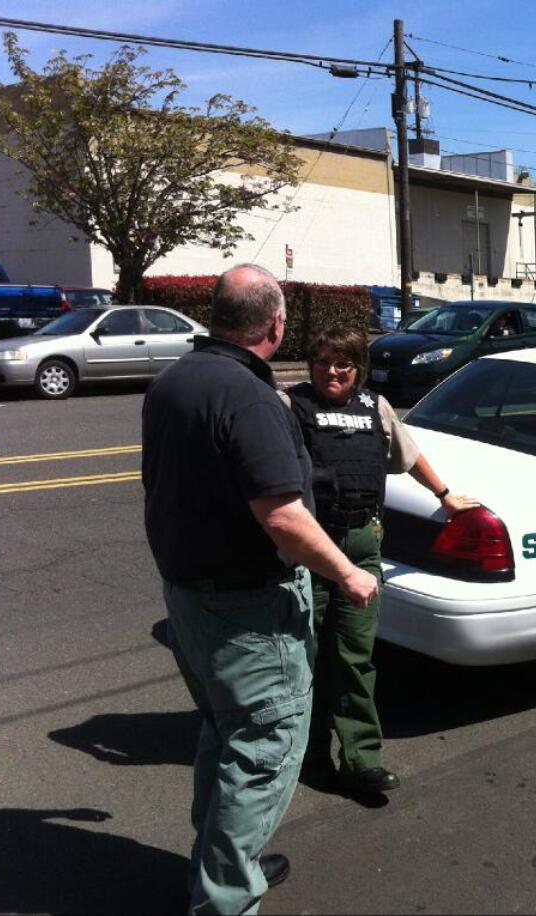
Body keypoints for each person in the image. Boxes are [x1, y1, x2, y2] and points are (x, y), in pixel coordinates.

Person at [142, 265, 378, 913]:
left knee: (227, 734)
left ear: (216, 314)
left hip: (190, 596)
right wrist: (348, 572)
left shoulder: (174, 380)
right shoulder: (247, 397)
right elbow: (282, 517)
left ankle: (224, 862)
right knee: (263, 750)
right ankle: (224, 898)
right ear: (276, 325)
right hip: (247, 608)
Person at [286, 324, 477, 804]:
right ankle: (306, 758)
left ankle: (362, 761)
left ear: (359, 369)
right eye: (324, 361)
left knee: (354, 657)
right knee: (305, 660)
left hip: (362, 545)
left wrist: (445, 496)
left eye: (343, 364)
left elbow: (410, 456)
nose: (332, 371)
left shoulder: (375, 408)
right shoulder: (289, 406)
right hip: (311, 548)